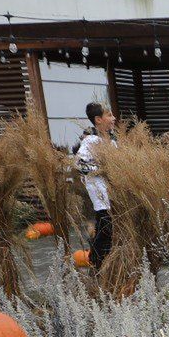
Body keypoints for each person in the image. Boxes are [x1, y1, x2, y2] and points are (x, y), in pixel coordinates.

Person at [76, 102, 116, 268]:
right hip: (101, 198)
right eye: (109, 115)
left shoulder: (111, 142)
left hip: (112, 196)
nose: (113, 118)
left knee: (107, 230)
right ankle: (96, 264)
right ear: (98, 119)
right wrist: (102, 169)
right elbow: (79, 163)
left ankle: (102, 264)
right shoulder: (91, 141)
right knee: (105, 231)